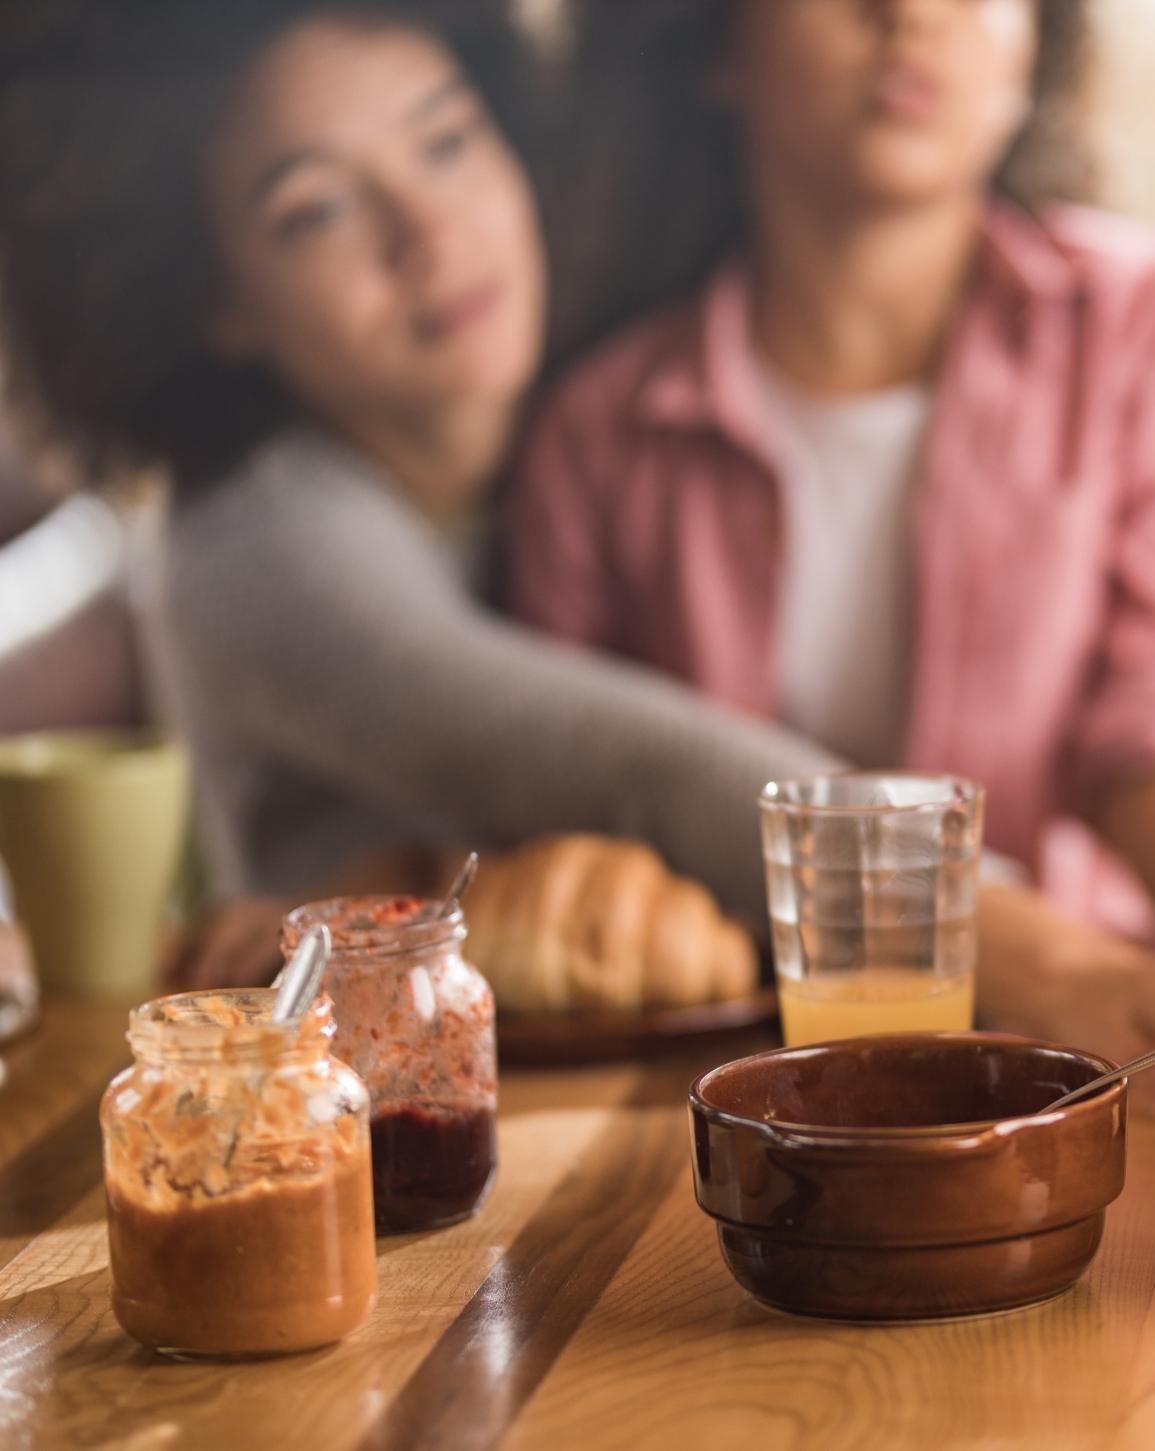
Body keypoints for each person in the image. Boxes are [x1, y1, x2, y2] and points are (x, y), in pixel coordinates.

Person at [508, 0, 1155, 1109]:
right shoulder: (597, 431)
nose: (911, 16)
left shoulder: (1152, 324)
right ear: (712, 46)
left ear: (1037, 44)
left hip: (1086, 1047)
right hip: (742, 1083)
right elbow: (571, 820)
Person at [0, 0, 839, 986]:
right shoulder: (249, 550)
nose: (428, 232)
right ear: (212, 300)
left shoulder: (606, 424)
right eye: (316, 209)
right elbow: (636, 766)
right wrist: (971, 900)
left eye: (446, 142)